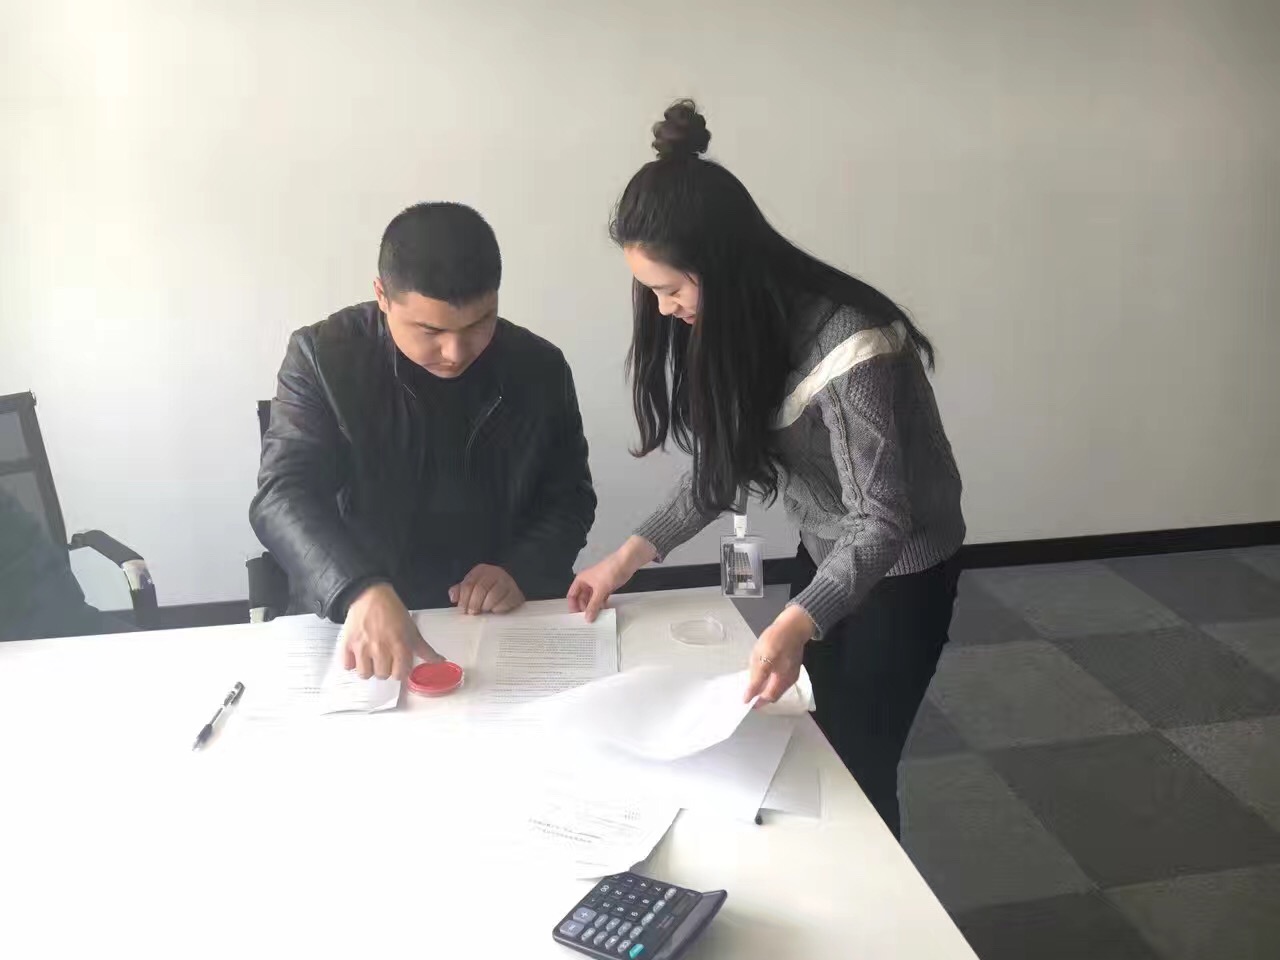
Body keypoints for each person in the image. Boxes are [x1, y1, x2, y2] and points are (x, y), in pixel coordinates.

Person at [568, 102, 965, 837]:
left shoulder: (851, 347)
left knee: (862, 758)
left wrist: (797, 618)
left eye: (672, 289)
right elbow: (720, 467)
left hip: (903, 570)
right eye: (651, 291)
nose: (664, 308)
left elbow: (882, 521)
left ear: (725, 268)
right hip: (827, 550)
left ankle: (875, 889)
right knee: (815, 736)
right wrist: (625, 559)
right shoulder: (737, 325)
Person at [251, 202, 596, 680]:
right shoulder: (322, 358)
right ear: (382, 296)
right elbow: (282, 494)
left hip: (495, 615)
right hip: (360, 609)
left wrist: (520, 569)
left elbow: (570, 499)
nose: (455, 352)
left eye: (479, 323)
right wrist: (358, 588)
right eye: (430, 330)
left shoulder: (540, 367)